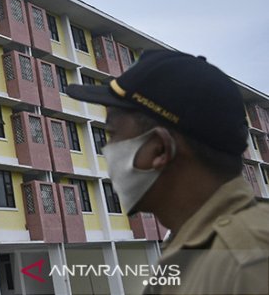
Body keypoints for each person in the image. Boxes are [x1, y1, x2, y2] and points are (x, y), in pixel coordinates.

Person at [66, 49, 269, 294]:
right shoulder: (194, 251)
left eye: (112, 134)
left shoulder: (247, 265)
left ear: (159, 149)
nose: (106, 150)